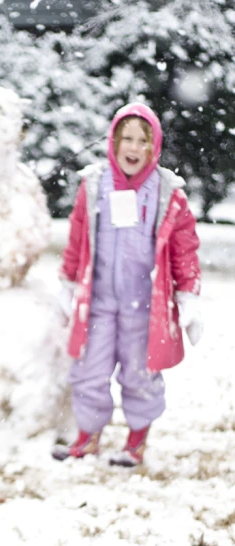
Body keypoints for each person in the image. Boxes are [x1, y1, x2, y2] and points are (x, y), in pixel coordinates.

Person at [53, 102, 202, 466]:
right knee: (89, 370)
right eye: (126, 139)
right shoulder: (93, 185)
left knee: (140, 374)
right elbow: (77, 238)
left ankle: (135, 442)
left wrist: (188, 297)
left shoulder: (168, 193)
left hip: (145, 307)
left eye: (143, 141)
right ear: (113, 141)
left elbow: (185, 250)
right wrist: (67, 283)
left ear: (155, 147)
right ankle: (88, 438)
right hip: (100, 302)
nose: (133, 148)